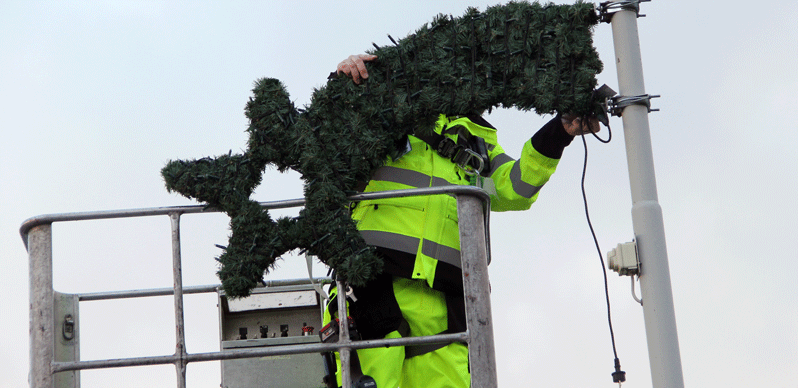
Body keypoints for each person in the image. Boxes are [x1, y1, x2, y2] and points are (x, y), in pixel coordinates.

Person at [323, 54, 600, 388]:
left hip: (449, 296)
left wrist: (559, 131)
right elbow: (327, 145)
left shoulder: (478, 139)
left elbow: (514, 188)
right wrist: (344, 83)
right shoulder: (383, 111)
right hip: (374, 284)